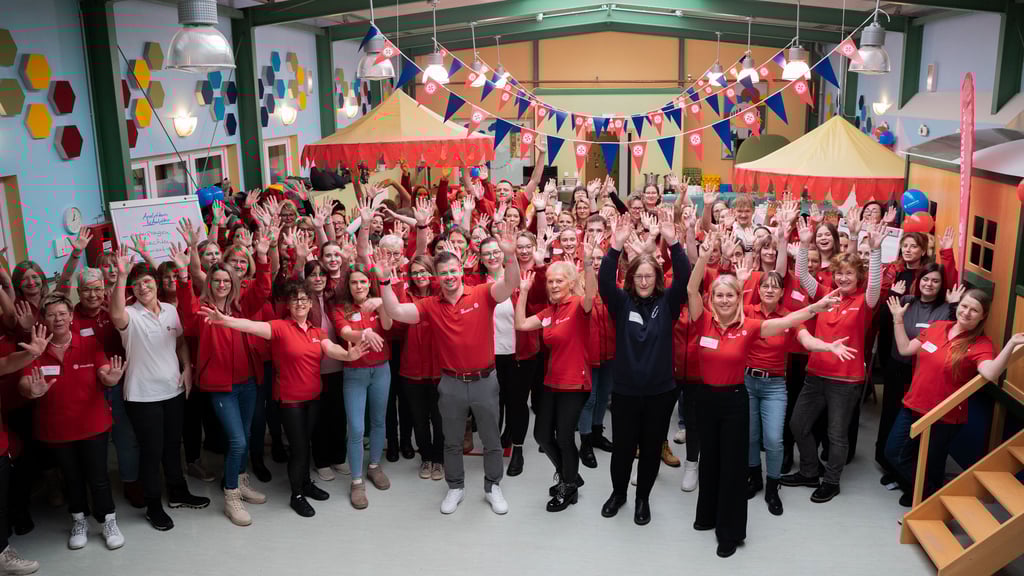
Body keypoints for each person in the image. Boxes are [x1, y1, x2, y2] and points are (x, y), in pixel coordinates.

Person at [687, 233, 845, 557]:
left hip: (734, 400)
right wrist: (703, 257)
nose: (724, 299)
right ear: (712, 297)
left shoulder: (750, 327)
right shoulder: (701, 320)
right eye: (719, 294)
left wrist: (814, 307)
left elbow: (788, 320)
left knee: (732, 467)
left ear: (738, 297)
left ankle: (729, 532)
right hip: (705, 400)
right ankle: (706, 516)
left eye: (730, 295)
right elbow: (691, 289)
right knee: (709, 461)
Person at [374, 223, 521, 516]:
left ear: (461, 272)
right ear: (437, 278)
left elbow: (510, 285)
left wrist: (511, 256)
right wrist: (384, 283)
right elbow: (396, 312)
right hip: (451, 383)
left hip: (484, 380)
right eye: (444, 273)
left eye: (454, 271)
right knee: (452, 441)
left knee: (491, 440)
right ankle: (456, 486)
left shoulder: (482, 293)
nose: (450, 277)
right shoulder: (431, 304)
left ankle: (493, 486)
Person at [199, 280, 367, 518]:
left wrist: (348, 355)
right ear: (288, 304)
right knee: (298, 449)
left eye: (304, 299)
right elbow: (250, 326)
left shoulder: (316, 331)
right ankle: (296, 494)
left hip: (313, 399)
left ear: (310, 304)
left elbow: (331, 349)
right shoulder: (278, 327)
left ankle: (306, 483)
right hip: (290, 402)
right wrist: (225, 320)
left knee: (306, 444)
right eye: (295, 299)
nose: (300, 303)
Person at [886, 290, 1024, 506]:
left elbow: (990, 373)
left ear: (982, 316)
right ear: (957, 306)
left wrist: (1012, 344)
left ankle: (926, 504)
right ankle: (924, 495)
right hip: (913, 405)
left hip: (944, 417)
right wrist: (898, 320)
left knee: (930, 465)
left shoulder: (981, 344)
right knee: (893, 452)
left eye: (974, 310)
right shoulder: (937, 327)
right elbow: (904, 349)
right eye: (964, 306)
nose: (967, 312)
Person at [171, 234, 271, 527]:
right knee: (237, 441)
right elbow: (186, 314)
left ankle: (240, 481)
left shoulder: (242, 307)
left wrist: (262, 257)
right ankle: (231, 496)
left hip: (248, 382)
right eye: (217, 281)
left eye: (227, 280)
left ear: (233, 283)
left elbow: (264, 289)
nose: (223, 284)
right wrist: (182, 275)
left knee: (248, 435)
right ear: (209, 284)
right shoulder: (201, 311)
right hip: (221, 388)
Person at [598, 208, 689, 526]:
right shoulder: (621, 305)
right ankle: (618, 494)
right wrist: (614, 246)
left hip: (660, 393)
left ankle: (642, 500)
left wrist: (674, 242)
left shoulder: (668, 304)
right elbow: (604, 282)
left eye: (650, 275)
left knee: (651, 450)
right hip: (624, 392)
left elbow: (685, 277)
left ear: (657, 279)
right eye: (639, 276)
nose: (645, 280)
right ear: (631, 278)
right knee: (623, 448)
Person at [782, 219, 884, 503]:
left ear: (858, 276)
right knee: (798, 424)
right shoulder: (826, 296)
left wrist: (874, 251)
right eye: (839, 273)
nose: (843, 278)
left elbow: (874, 284)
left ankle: (831, 481)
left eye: (849, 274)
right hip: (816, 374)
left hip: (846, 380)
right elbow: (802, 275)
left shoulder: (866, 302)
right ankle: (809, 471)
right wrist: (803, 244)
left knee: (836, 434)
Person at [110, 251, 210, 532]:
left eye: (147, 282)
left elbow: (179, 342)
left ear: (155, 284)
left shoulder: (170, 310)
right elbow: (116, 313)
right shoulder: (129, 315)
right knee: (151, 452)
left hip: (173, 390)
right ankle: (154, 506)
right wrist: (120, 276)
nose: (143, 287)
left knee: (171, 446)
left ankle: (178, 492)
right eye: (137, 284)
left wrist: (187, 366)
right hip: (143, 396)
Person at [19, 294, 124, 550]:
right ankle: (79, 519)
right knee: (72, 477)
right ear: (44, 318)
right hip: (57, 429)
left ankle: (108, 520)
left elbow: (103, 371)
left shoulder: (89, 343)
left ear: (71, 317)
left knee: (98, 476)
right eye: (52, 314)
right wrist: (31, 390)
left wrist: (111, 379)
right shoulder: (36, 349)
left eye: (63, 313)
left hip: (93, 425)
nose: (58, 319)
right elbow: (23, 382)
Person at [514, 237, 598, 511]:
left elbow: (591, 296)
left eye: (559, 280)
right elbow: (521, 323)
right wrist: (524, 291)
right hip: (551, 382)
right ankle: (570, 475)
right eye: (550, 281)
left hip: (575, 382)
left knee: (564, 437)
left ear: (571, 282)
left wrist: (587, 262)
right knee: (541, 435)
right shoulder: (550, 311)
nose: (553, 285)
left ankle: (568, 485)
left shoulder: (578, 306)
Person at [877, 265, 960, 489]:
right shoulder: (906, 300)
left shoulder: (947, 309)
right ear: (919, 280)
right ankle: (893, 469)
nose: (929, 284)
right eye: (925, 279)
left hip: (923, 373)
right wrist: (893, 295)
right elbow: (884, 319)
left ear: (942, 285)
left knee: (917, 430)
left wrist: (954, 305)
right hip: (898, 367)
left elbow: (952, 334)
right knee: (892, 419)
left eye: (935, 280)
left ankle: (910, 480)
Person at [333, 262, 394, 509]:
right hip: (355, 373)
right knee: (356, 428)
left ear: (370, 283)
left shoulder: (379, 303)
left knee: (379, 420)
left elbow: (388, 326)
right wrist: (365, 334)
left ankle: (374, 466)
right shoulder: (340, 308)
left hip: (381, 370)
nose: (359, 286)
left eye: (363, 281)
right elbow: (345, 333)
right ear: (348, 285)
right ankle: (356, 481)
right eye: (354, 282)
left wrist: (383, 304)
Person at [394, 255, 444, 481]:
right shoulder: (406, 296)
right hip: (412, 369)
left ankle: (439, 459)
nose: (420, 275)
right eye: (415, 272)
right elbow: (395, 322)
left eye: (424, 270)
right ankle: (425, 457)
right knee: (419, 419)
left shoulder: (441, 295)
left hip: (440, 369)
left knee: (439, 418)